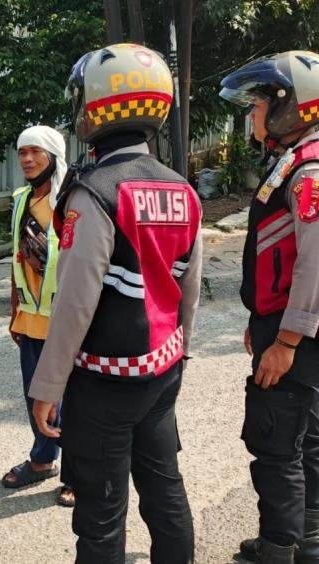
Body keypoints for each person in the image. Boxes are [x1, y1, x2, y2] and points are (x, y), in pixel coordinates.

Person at [29, 43, 203, 564]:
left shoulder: (95, 191)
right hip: (161, 370)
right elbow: (187, 292)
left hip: (105, 381)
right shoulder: (183, 190)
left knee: (101, 517)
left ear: (98, 106)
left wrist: (47, 386)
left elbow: (76, 304)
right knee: (165, 491)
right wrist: (178, 354)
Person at [219, 50, 319, 564]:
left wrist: (284, 341)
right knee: (306, 441)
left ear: (292, 107)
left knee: (277, 442)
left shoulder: (308, 169)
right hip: (283, 326)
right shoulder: (293, 160)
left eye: (259, 103)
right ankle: (304, 541)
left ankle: (281, 547)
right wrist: (263, 323)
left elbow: (314, 265)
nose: (252, 114)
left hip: (295, 337)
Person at [2, 125, 75, 506]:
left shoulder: (72, 198)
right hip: (31, 317)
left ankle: (78, 471)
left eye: (35, 152)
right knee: (36, 395)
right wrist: (14, 306)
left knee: (75, 398)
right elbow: (16, 255)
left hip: (67, 318)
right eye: (22, 152)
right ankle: (44, 459)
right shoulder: (20, 200)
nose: (27, 160)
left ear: (52, 155)